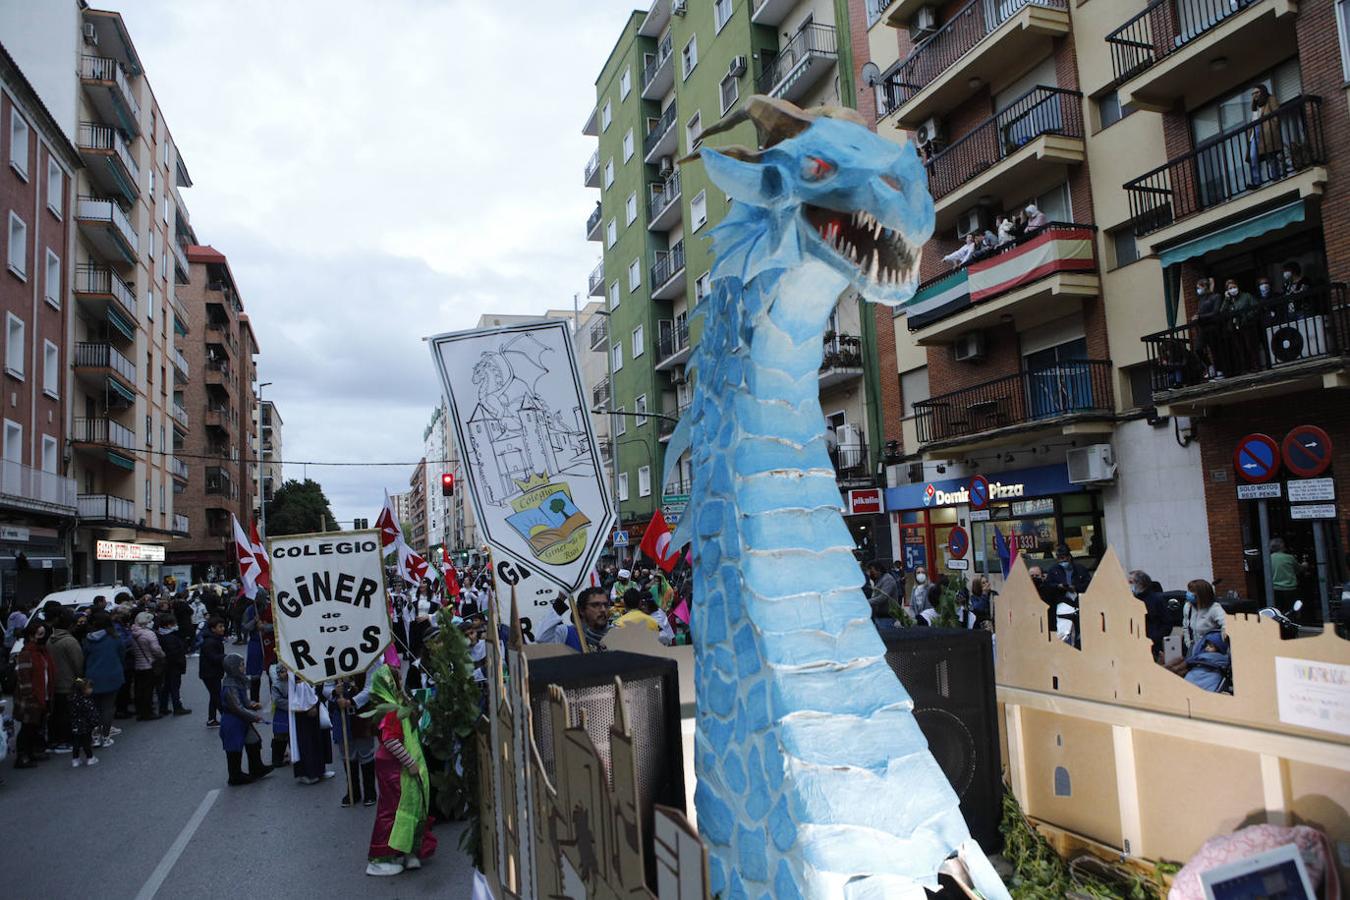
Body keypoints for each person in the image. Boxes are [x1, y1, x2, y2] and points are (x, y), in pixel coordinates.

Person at [366, 665, 436, 877]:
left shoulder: (397, 702)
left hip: (404, 768)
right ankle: (380, 858)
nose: (400, 682)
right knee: (393, 812)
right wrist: (410, 763)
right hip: (396, 769)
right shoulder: (389, 709)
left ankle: (407, 851)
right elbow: (390, 740)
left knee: (413, 809)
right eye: (396, 680)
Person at [219, 653, 273, 786]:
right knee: (234, 749)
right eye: (241, 665)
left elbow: (243, 702)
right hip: (233, 722)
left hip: (241, 720)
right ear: (234, 667)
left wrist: (252, 704)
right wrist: (255, 717)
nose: (244, 667)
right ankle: (235, 776)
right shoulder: (230, 686)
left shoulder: (237, 681)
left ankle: (256, 768)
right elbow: (237, 708)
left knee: (253, 740)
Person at [327, 673, 378, 808]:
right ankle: (353, 792)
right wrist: (334, 693)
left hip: (361, 715)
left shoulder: (366, 663)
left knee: (365, 753)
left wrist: (352, 701)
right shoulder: (331, 661)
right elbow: (324, 689)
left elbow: (371, 687)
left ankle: (370, 791)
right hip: (342, 717)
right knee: (348, 755)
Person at [12, 620, 53, 769]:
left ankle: (30, 752)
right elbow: (24, 678)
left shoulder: (41, 651)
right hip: (30, 699)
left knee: (35, 727)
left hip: (42, 695)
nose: (43, 637)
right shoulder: (26, 653)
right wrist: (31, 697)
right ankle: (22, 756)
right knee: (27, 728)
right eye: (40, 634)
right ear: (31, 636)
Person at [81, 611, 125, 748]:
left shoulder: (87, 640)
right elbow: (122, 655)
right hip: (112, 675)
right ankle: (105, 736)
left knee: (94, 707)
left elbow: (84, 658)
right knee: (108, 707)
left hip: (92, 676)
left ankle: (94, 736)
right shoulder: (114, 637)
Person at [46, 609, 85, 753]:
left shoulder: (50, 639)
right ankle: (66, 740)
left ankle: (55, 740)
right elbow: (78, 664)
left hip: (55, 682)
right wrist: (80, 680)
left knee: (57, 713)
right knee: (67, 714)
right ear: (71, 625)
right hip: (69, 682)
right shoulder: (70, 641)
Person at [289, 673, 335, 785]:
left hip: (313, 699)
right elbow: (300, 681)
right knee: (306, 739)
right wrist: (310, 704)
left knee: (318, 737)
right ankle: (306, 773)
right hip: (304, 705)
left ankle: (320, 770)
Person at [1176, 578, 1226, 662]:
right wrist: (1189, 644)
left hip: (1209, 651)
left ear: (1202, 594)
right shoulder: (1188, 607)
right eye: (1188, 590)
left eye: (1192, 591)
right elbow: (1186, 627)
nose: (1188, 593)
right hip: (1194, 649)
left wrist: (1217, 645)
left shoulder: (1214, 608)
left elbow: (1226, 626)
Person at [129, 611, 165, 721]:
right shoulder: (149, 634)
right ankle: (148, 712)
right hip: (149, 663)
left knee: (140, 689)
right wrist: (162, 655)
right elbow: (156, 650)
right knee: (148, 690)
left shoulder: (133, 633)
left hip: (138, 664)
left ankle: (141, 711)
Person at [1127, 570, 1170, 657]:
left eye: (1131, 582)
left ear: (1141, 583)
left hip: (1152, 644)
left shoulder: (1156, 600)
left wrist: (1155, 638)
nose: (1129, 585)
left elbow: (1167, 623)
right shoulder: (1131, 600)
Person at [155, 614, 191, 717]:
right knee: (174, 687)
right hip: (173, 666)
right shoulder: (170, 638)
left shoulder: (162, 635)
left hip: (167, 666)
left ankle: (163, 707)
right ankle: (177, 707)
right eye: (173, 624)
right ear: (167, 625)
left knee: (166, 687)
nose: (175, 625)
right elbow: (174, 653)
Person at [1192, 278, 1226, 379]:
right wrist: (1196, 317)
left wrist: (1201, 317)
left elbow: (1215, 312)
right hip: (1203, 328)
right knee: (1198, 349)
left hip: (1213, 327)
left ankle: (1219, 371)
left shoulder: (1215, 297)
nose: (1198, 290)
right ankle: (1210, 366)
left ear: (1205, 287)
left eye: (1199, 287)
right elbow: (1200, 312)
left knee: (1215, 350)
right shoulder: (1201, 300)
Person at [1248, 84, 1282, 185]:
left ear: (1263, 91)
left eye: (1257, 92)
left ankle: (1276, 176)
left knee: (1270, 155)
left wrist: (1272, 127)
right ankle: (1256, 181)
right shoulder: (1255, 107)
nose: (1255, 95)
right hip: (1255, 134)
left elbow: (1277, 113)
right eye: (1253, 94)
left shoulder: (1270, 99)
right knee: (1253, 157)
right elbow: (1253, 120)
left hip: (1267, 131)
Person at [564, 586, 612, 652]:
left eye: (606, 605)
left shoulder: (619, 635)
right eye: (596, 605)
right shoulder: (568, 634)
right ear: (582, 611)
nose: (603, 609)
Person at [199, 617, 227, 727]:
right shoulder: (210, 642)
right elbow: (213, 657)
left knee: (214, 695)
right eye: (220, 627)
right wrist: (225, 657)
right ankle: (226, 716)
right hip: (210, 673)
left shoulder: (215, 639)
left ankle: (211, 719)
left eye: (223, 626)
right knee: (217, 696)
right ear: (213, 629)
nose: (223, 629)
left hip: (212, 672)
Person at [68, 678, 101, 768]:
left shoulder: (72, 700)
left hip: (75, 723)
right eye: (89, 688)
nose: (91, 690)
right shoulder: (87, 701)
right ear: (83, 690)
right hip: (85, 724)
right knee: (87, 742)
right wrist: (95, 723)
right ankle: (90, 757)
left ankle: (75, 759)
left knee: (76, 742)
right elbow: (91, 713)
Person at [1268, 537, 1302, 615]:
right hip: (1290, 588)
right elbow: (1298, 569)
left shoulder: (1269, 558)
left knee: (1278, 610)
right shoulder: (1289, 558)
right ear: (1282, 546)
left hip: (1275, 588)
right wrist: (1304, 565)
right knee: (1292, 609)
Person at [269, 661, 290, 769]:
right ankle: (277, 759)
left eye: (286, 671)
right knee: (280, 736)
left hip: (291, 712)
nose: (285, 673)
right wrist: (291, 704)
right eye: (282, 672)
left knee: (292, 734)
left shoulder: (292, 682)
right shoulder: (276, 685)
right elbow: (277, 700)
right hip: (282, 713)